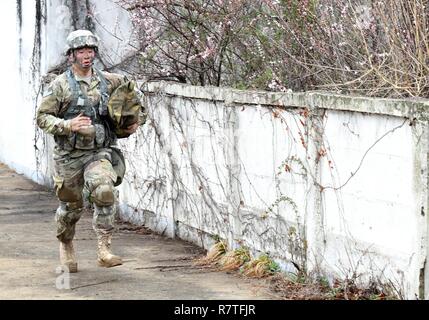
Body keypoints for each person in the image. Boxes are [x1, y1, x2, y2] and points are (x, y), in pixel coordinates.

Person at [36, 29, 144, 272]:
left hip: (99, 152)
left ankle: (104, 249)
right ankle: (66, 244)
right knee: (70, 208)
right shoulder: (60, 85)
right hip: (69, 156)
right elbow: (42, 117)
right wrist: (67, 125)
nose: (87, 55)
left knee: (105, 191)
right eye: (81, 51)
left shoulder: (109, 81)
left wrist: (135, 121)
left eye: (90, 50)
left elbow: (134, 102)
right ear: (72, 55)